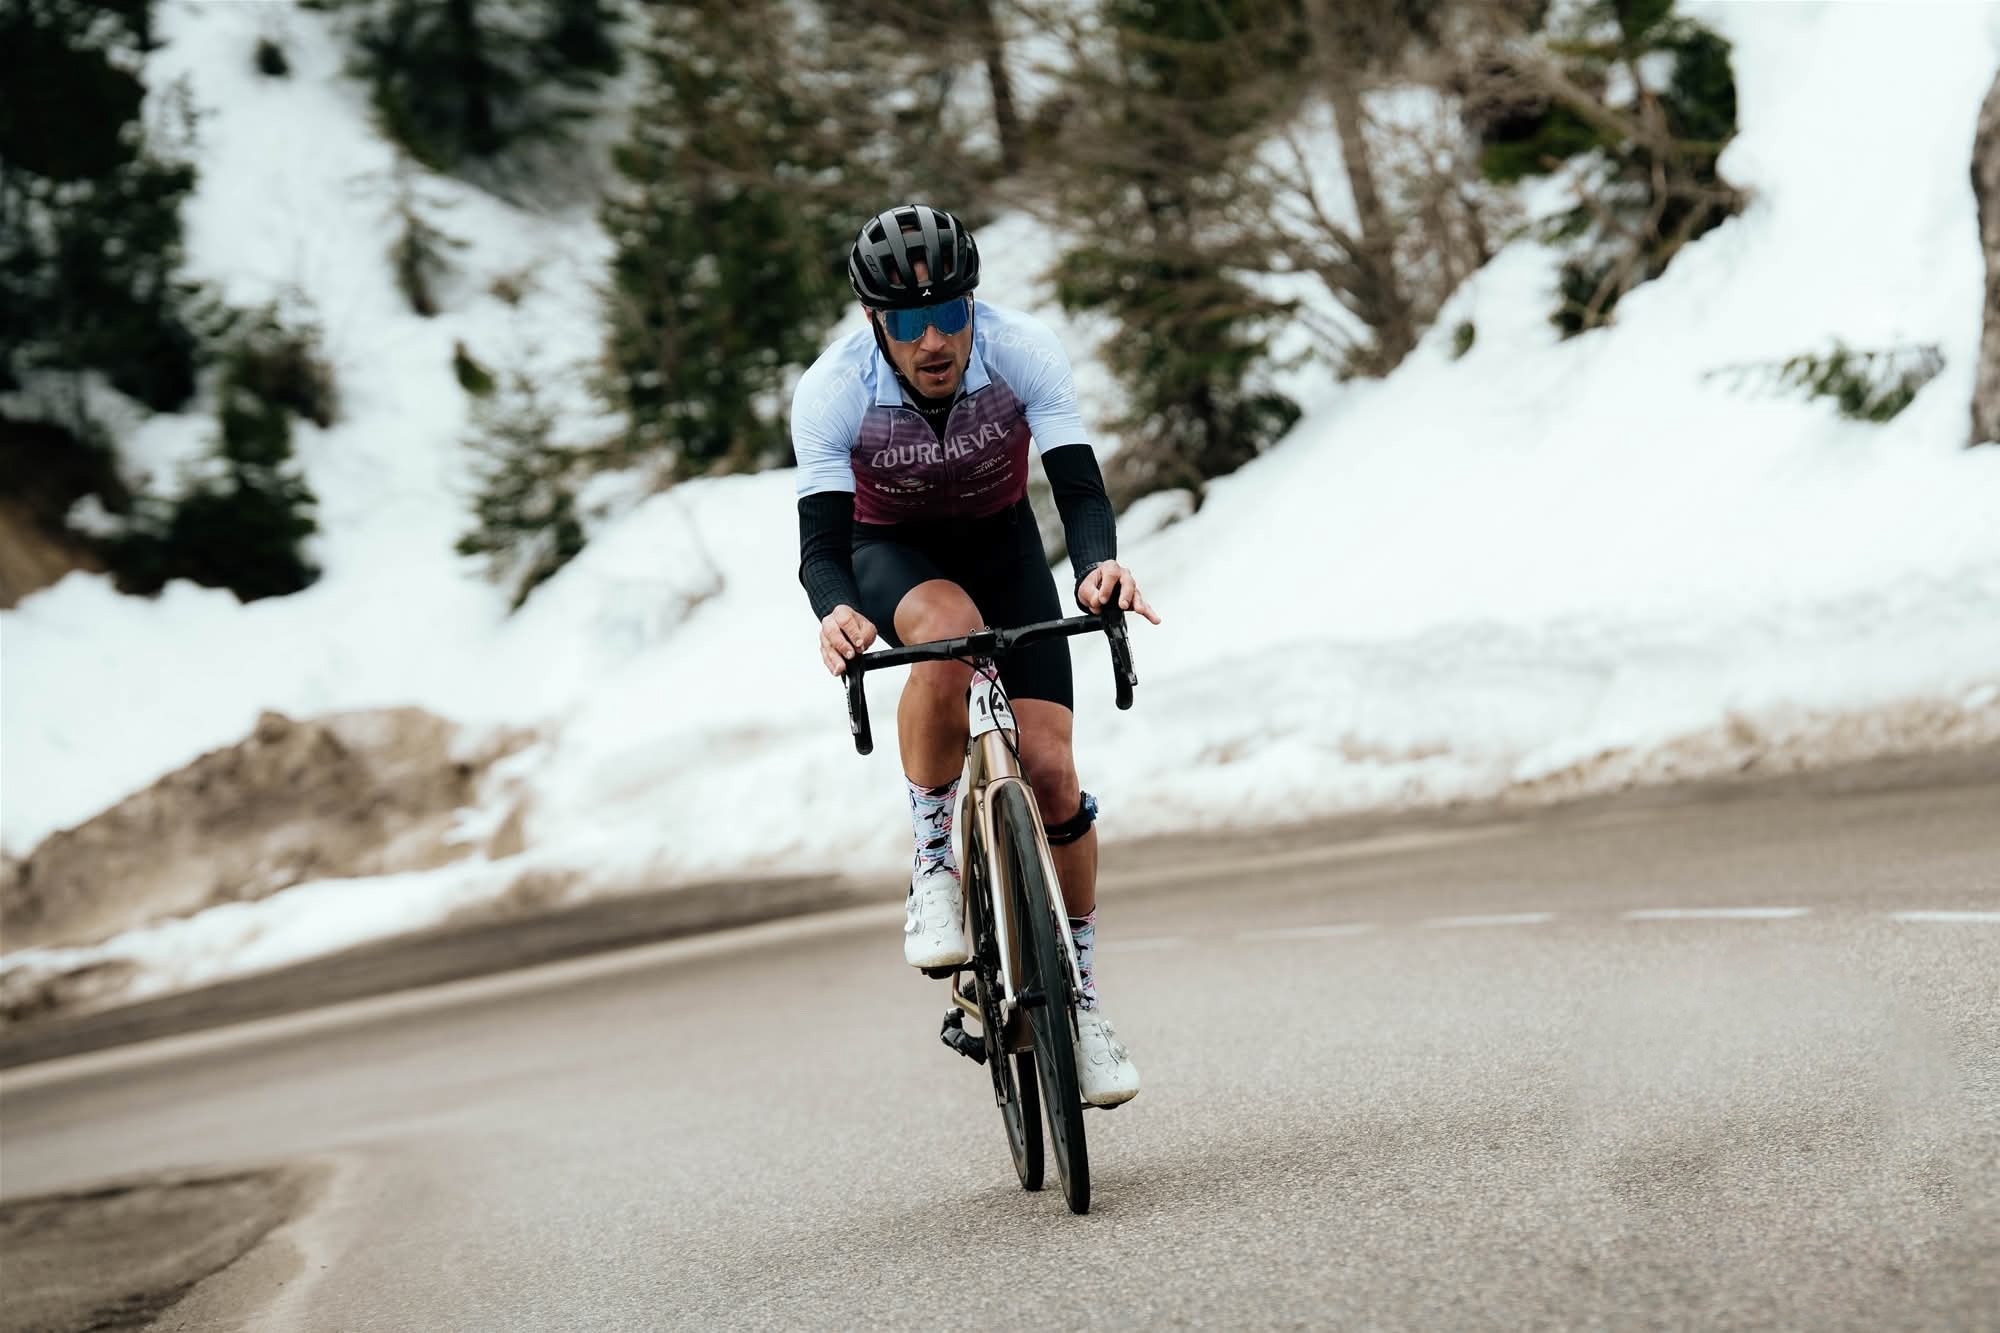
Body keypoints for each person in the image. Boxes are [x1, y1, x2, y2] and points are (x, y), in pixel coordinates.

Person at [791, 203, 1159, 1107]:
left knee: (1054, 774)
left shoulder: (1022, 350)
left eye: (949, 312)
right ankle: (933, 864)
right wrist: (837, 610)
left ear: (973, 306)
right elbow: (823, 548)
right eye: (907, 322)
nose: (933, 340)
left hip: (1005, 545)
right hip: (891, 552)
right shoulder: (833, 390)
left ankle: (1079, 1002)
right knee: (946, 628)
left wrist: (1098, 563)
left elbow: (1079, 490)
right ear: (874, 320)